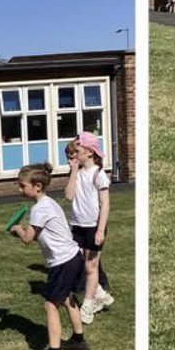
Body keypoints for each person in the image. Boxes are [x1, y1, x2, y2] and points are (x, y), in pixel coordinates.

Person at [7, 162, 89, 350]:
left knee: (51, 305)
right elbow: (42, 236)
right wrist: (24, 232)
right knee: (68, 298)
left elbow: (27, 239)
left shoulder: (39, 209)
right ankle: (79, 340)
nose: (20, 190)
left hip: (62, 261)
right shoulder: (49, 203)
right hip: (73, 257)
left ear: (37, 187)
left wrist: (17, 229)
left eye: (22, 186)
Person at [64, 132, 114, 322]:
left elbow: (105, 204)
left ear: (90, 152)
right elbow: (69, 196)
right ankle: (100, 293)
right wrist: (74, 172)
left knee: (91, 266)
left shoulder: (98, 174)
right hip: (77, 225)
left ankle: (88, 305)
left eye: (78, 151)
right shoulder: (77, 173)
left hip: (93, 226)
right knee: (78, 263)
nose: (75, 155)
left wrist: (100, 230)